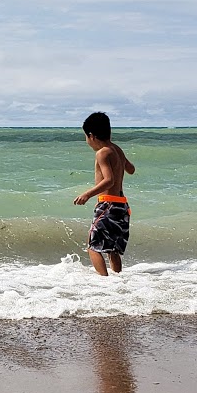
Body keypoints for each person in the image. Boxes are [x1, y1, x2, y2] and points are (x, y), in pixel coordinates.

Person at [72, 111, 135, 275]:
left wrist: (87, 194)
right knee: (112, 249)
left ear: (91, 135)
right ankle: (117, 280)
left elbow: (109, 180)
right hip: (122, 206)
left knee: (93, 247)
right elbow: (131, 169)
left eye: (85, 137)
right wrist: (120, 163)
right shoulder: (117, 150)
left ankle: (104, 283)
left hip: (108, 204)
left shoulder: (102, 153)